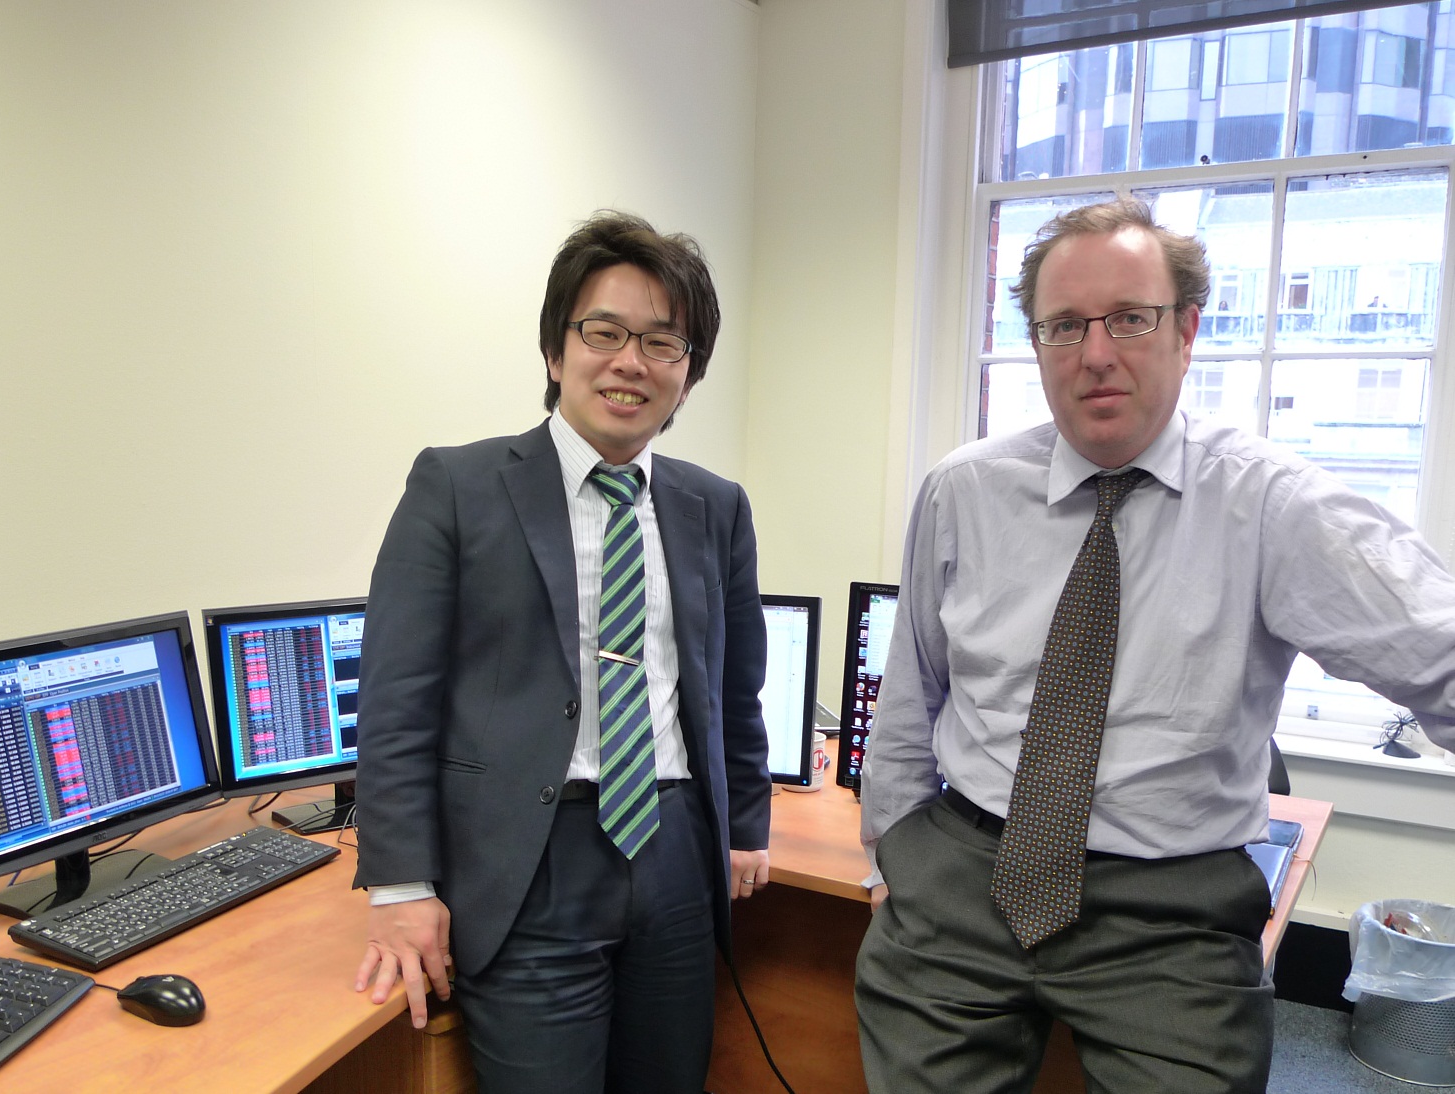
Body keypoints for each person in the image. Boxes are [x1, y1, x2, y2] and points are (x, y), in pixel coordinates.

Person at [855, 198, 1455, 1093]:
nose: (1096, 353)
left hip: (1170, 915)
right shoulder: (964, 492)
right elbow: (911, 696)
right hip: (962, 875)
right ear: (1038, 344)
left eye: (1130, 318)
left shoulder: (1273, 506)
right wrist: (892, 860)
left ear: (1187, 331)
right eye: (1065, 325)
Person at [351, 210, 772, 1094]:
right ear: (555, 350)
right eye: (604, 332)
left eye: (662, 342)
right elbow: (396, 702)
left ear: (687, 372)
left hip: (675, 849)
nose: (631, 362)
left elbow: (733, 689)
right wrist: (400, 887)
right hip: (526, 859)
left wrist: (744, 827)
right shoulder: (457, 486)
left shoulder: (716, 506)